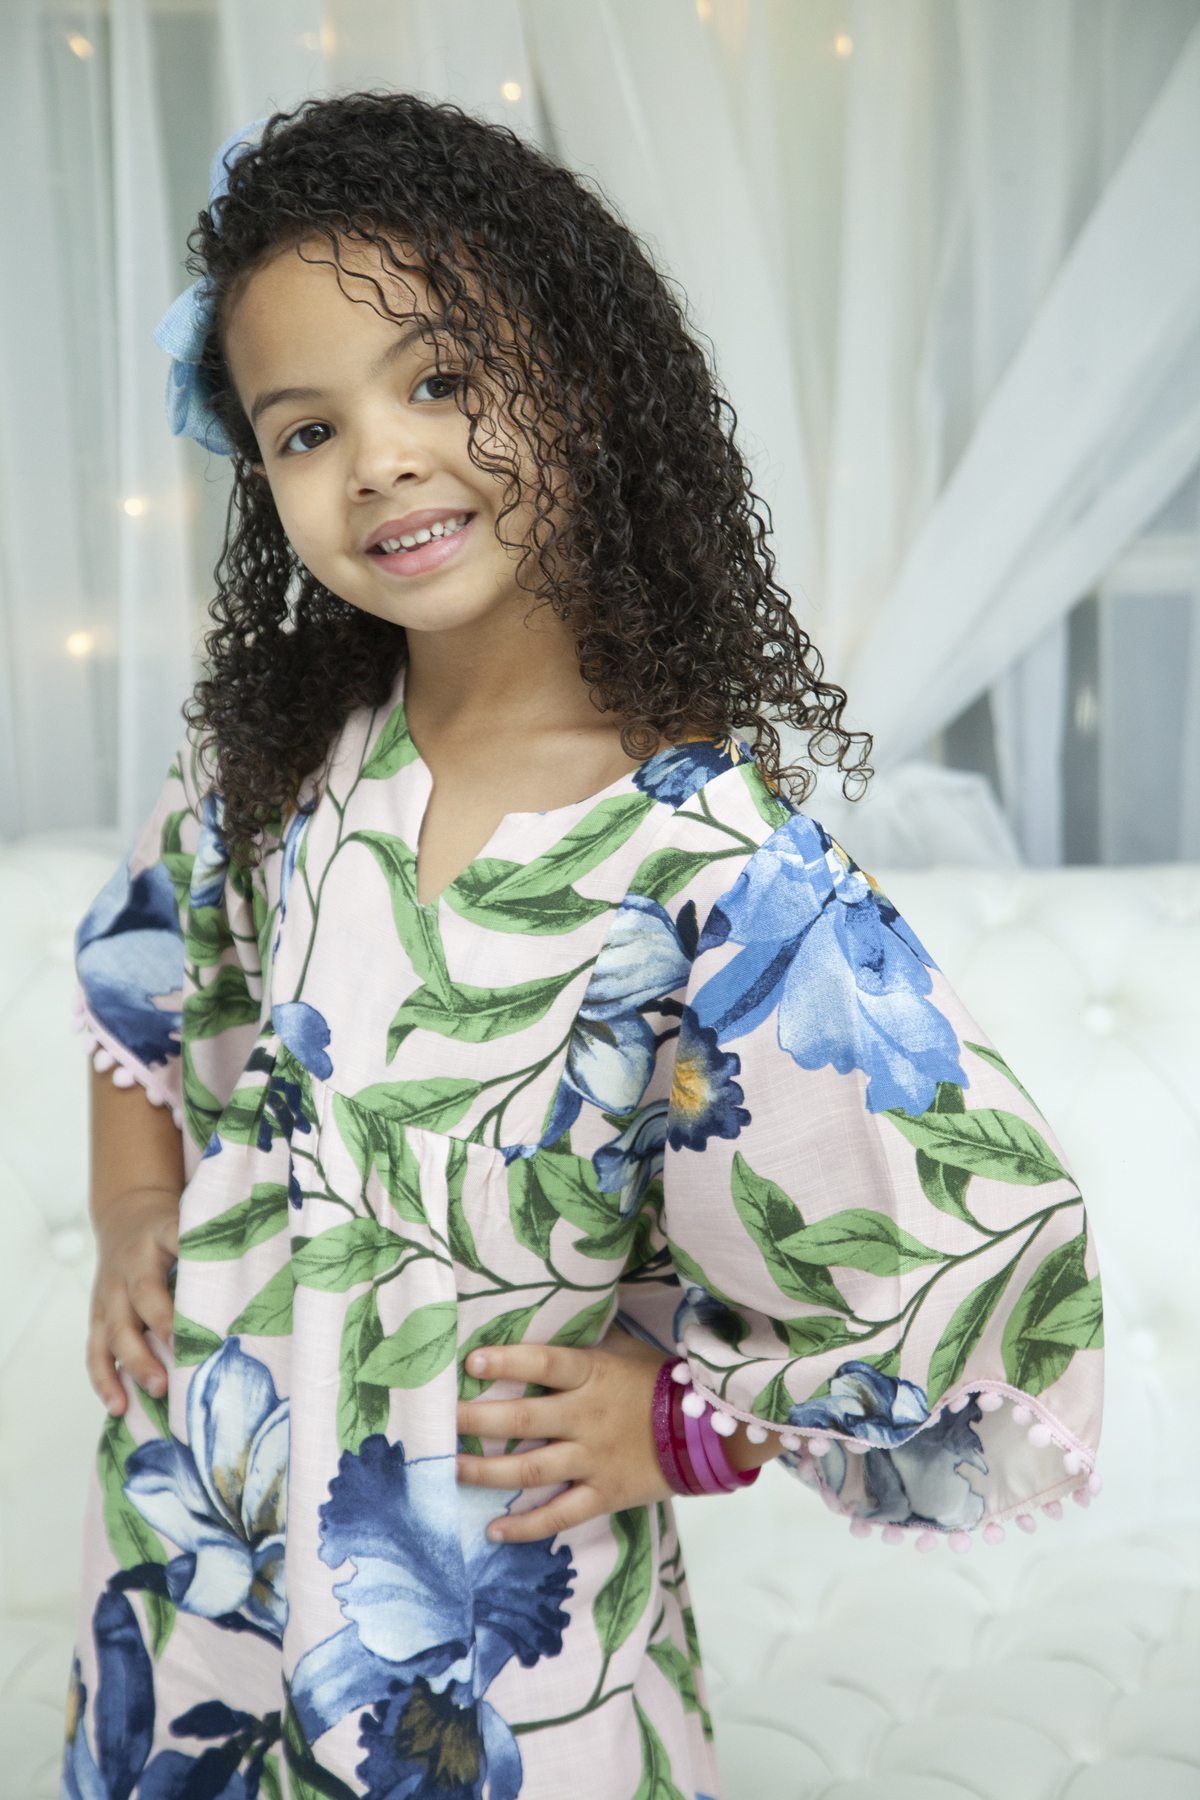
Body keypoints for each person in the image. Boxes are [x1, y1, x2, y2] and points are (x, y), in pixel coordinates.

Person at [64, 93, 1103, 1800]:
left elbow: (976, 1245)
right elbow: (144, 970)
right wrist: (131, 1207)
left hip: (493, 1587)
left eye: (440, 380)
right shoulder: (273, 760)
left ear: (586, 381)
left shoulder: (714, 864)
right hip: (214, 1523)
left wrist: (687, 1421)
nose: (380, 457)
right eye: (306, 429)